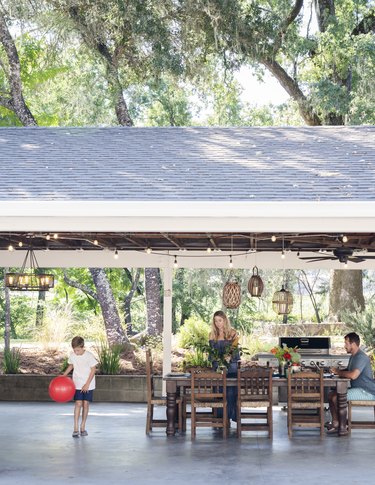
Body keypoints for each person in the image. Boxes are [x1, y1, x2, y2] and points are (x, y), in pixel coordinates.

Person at [327, 332, 375, 434]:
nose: (345, 346)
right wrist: (337, 370)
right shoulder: (353, 356)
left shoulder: (361, 357)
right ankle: (336, 423)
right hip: (358, 389)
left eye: (346, 343)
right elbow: (349, 370)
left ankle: (343, 427)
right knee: (331, 395)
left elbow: (353, 375)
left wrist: (338, 372)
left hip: (366, 391)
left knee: (337, 397)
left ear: (353, 344)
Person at [63, 336, 98, 438]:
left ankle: (83, 426)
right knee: (78, 403)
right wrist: (63, 375)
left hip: (88, 384)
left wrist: (87, 384)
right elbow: (71, 366)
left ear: (83, 347)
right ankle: (75, 428)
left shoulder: (89, 356)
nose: (76, 352)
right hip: (77, 383)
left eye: (78, 350)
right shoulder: (73, 355)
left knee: (85, 404)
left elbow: (93, 370)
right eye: (74, 350)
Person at [209, 310, 240, 423]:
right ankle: (221, 418)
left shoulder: (233, 333)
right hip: (218, 369)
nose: (218, 323)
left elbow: (235, 351)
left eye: (220, 320)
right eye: (215, 321)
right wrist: (217, 360)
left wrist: (229, 357)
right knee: (219, 391)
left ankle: (232, 416)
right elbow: (211, 353)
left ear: (225, 320)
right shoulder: (212, 334)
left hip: (231, 368)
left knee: (231, 392)